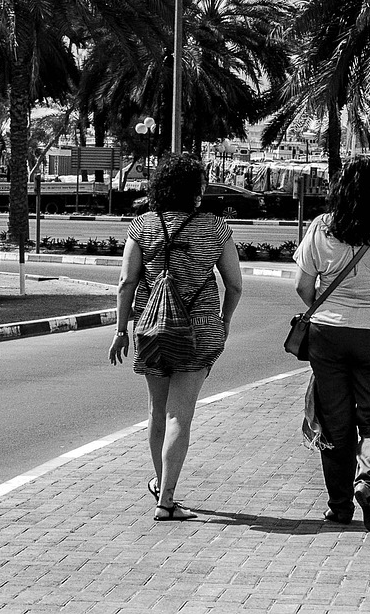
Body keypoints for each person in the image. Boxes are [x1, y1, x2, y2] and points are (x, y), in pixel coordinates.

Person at [110, 153, 244, 521]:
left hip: (152, 329)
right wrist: (224, 320)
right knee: (179, 415)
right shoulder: (215, 228)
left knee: (157, 411)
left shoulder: (142, 226)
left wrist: (120, 330)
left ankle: (162, 486)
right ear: (195, 190)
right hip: (200, 329)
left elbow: (126, 283)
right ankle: (166, 499)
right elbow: (234, 284)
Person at [293, 155, 370, 536]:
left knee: (335, 423)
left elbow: (302, 285)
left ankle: (339, 506)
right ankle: (368, 483)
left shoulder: (321, 228)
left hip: (328, 335)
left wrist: (326, 309)